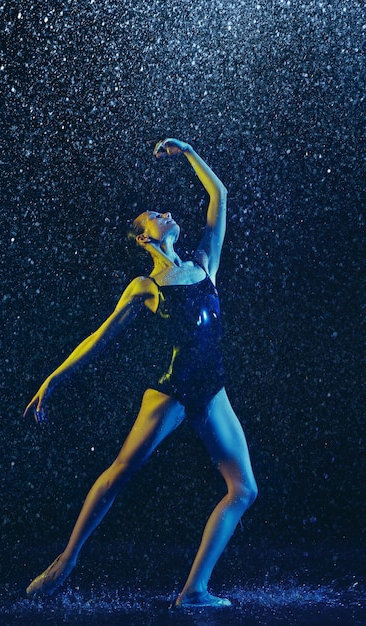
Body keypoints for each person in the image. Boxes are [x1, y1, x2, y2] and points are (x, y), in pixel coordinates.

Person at [24, 138, 257, 608]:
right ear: (144, 237)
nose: (164, 211)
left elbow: (220, 197)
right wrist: (54, 379)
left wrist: (189, 151)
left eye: (164, 209)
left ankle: (194, 591)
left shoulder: (204, 264)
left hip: (212, 391)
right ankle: (67, 559)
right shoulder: (145, 286)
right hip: (171, 391)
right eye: (154, 213)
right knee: (121, 472)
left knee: (244, 489)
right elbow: (98, 340)